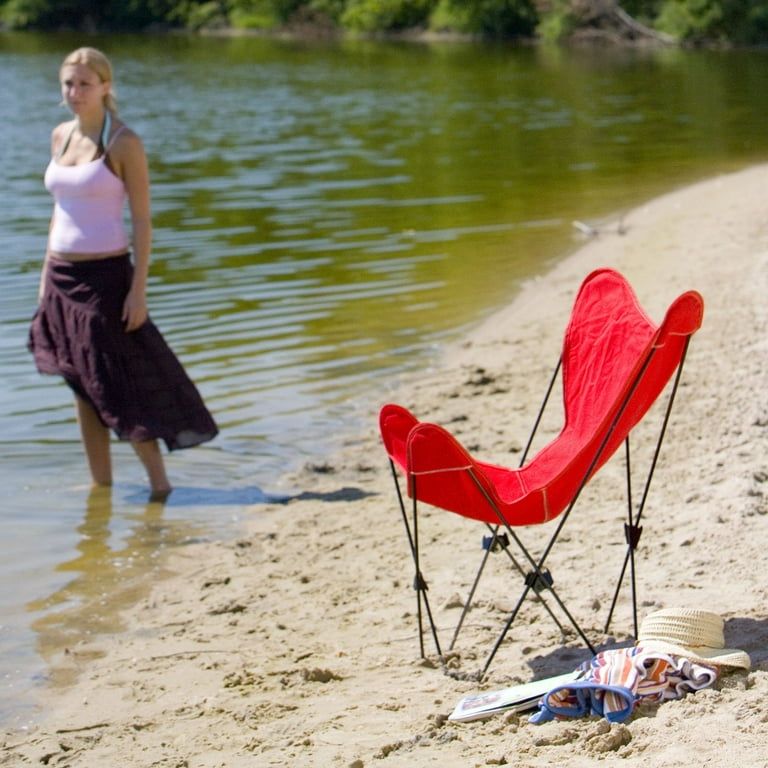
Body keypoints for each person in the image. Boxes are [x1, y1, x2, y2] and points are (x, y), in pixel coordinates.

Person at [28, 47, 218, 500]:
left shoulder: (124, 142)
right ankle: (100, 486)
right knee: (80, 386)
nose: (74, 93)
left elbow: (144, 221)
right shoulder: (59, 137)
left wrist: (138, 291)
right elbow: (60, 213)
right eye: (68, 84)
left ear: (106, 86)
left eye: (84, 84)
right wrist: (43, 283)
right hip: (60, 278)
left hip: (107, 281)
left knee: (115, 386)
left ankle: (159, 485)